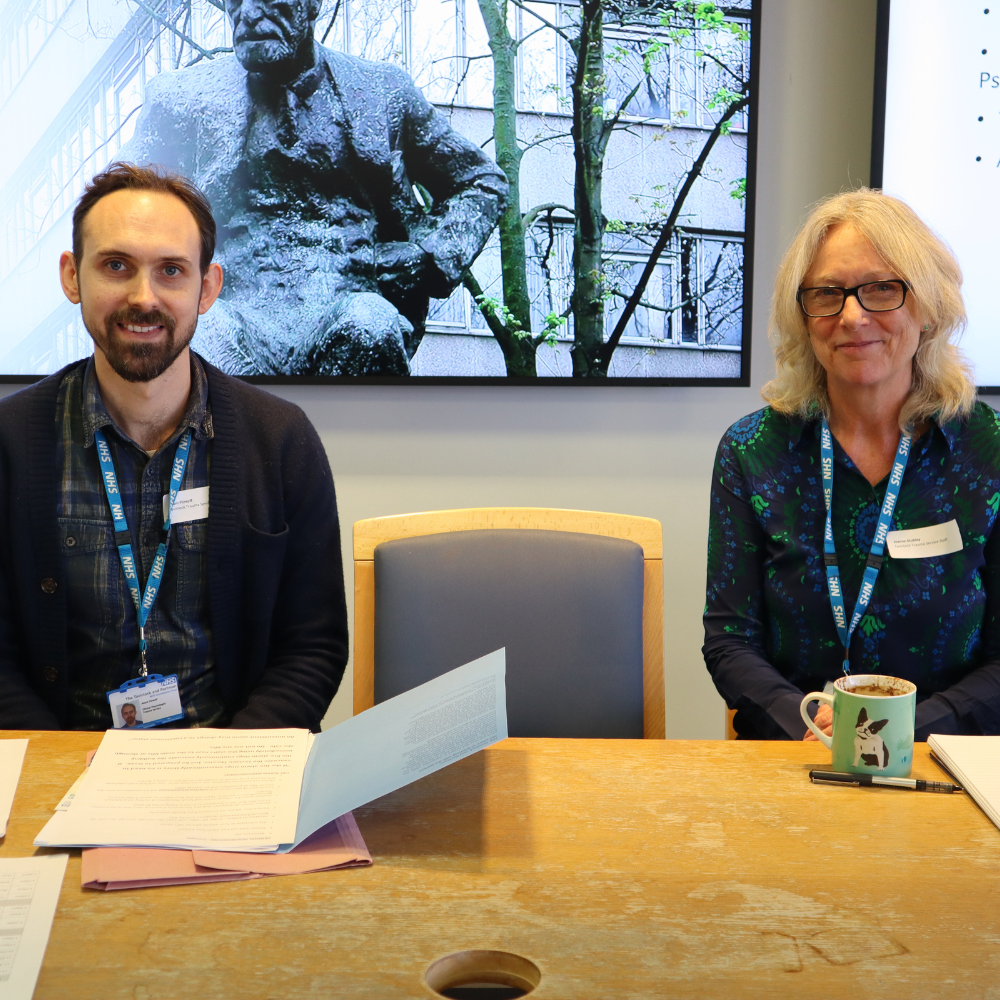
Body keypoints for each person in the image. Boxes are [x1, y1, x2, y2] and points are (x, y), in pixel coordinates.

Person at [0, 163, 348, 731]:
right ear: (72, 277)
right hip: (62, 773)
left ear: (206, 288)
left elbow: (312, 647)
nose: (144, 297)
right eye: (116, 266)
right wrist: (57, 773)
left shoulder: (281, 440)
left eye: (171, 271)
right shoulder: (10, 444)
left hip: (228, 771)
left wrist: (230, 768)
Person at [704, 188, 1000, 741]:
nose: (853, 315)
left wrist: (898, 730)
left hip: (946, 761)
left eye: (882, 289)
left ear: (929, 307)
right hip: (795, 759)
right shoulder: (750, 452)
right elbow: (730, 639)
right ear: (802, 315)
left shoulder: (991, 450)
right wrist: (810, 725)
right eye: (827, 294)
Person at [118, 0, 507, 377]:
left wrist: (428, 257)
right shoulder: (182, 100)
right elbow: (118, 205)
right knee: (191, 337)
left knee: (371, 327)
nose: (250, 13)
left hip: (349, 309)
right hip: (227, 312)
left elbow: (482, 182)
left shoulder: (383, 93)